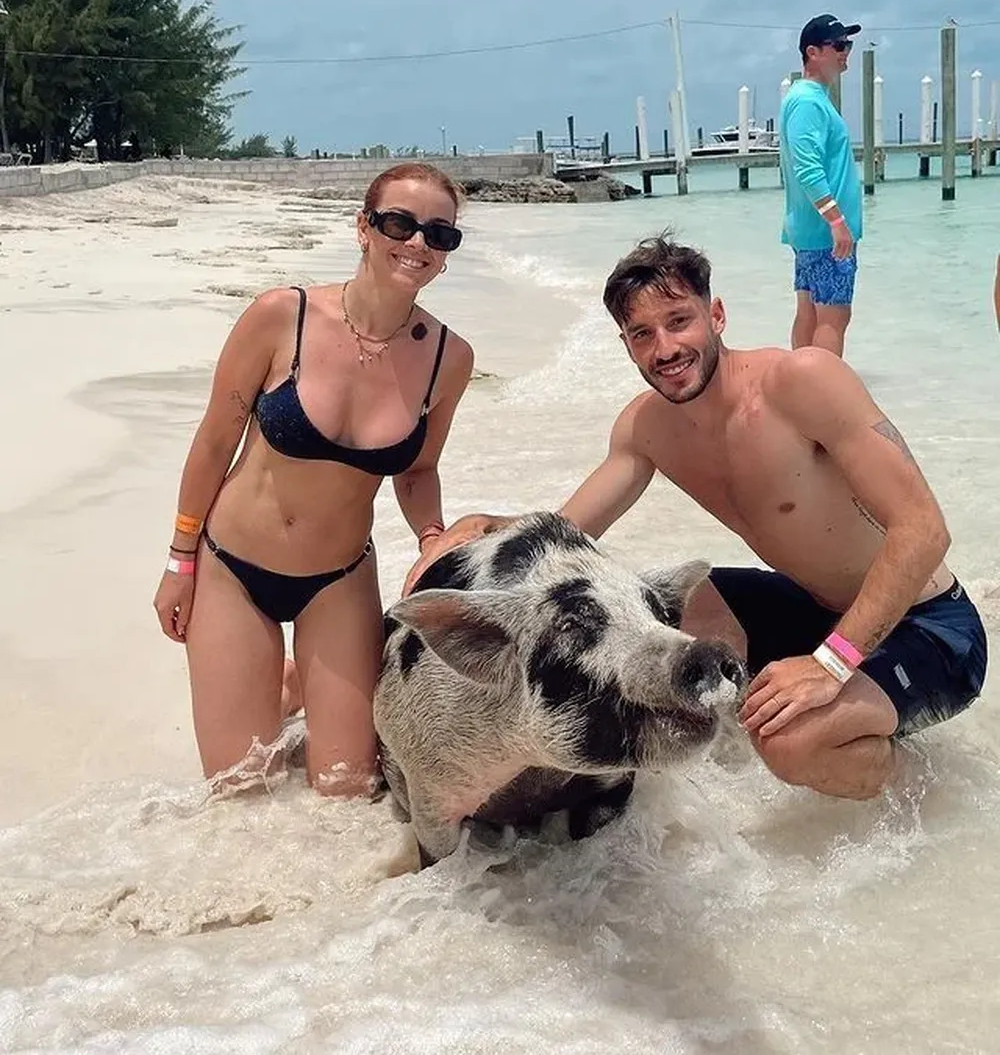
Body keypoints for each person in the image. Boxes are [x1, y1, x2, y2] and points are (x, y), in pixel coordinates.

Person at [405, 233, 987, 802]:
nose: (664, 349)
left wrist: (830, 663)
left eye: (678, 321)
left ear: (716, 315)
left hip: (928, 624)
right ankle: (738, 771)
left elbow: (923, 529)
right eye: (641, 335)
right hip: (811, 609)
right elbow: (570, 533)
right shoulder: (648, 428)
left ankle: (932, 795)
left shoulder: (802, 381)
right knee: (670, 603)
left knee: (792, 744)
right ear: (626, 344)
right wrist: (484, 525)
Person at [153, 162, 474, 796]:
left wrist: (432, 536)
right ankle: (277, 676)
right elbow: (216, 440)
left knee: (347, 792)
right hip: (232, 570)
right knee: (242, 791)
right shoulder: (281, 316)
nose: (417, 244)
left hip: (339, 580)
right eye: (400, 224)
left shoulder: (448, 358)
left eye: (439, 234)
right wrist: (179, 560)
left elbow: (418, 468)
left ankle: (299, 680)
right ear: (364, 227)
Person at [779, 14, 863, 357]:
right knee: (833, 317)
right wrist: (837, 221)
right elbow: (808, 168)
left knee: (812, 313)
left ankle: (801, 394)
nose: (845, 52)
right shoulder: (808, 101)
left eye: (848, 45)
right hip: (825, 232)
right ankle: (822, 399)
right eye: (838, 45)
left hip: (813, 231)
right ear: (813, 52)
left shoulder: (809, 99)